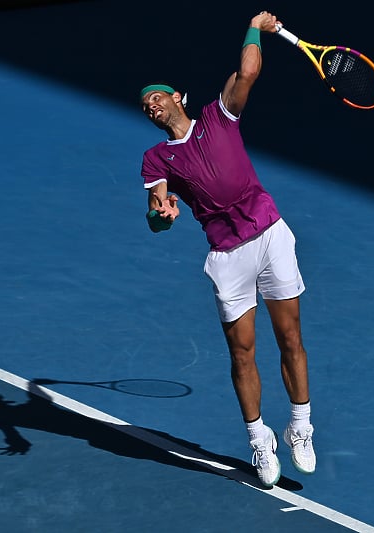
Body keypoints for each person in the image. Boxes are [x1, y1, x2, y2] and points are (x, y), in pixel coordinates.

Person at [138, 10, 315, 487]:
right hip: (228, 255)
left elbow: (249, 70)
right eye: (146, 107)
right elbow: (156, 217)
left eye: (156, 98)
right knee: (242, 353)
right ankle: (260, 440)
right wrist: (163, 216)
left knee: (290, 337)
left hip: (270, 234)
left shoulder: (221, 114)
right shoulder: (157, 159)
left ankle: (300, 425)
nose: (151, 107)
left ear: (177, 97)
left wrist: (256, 26)